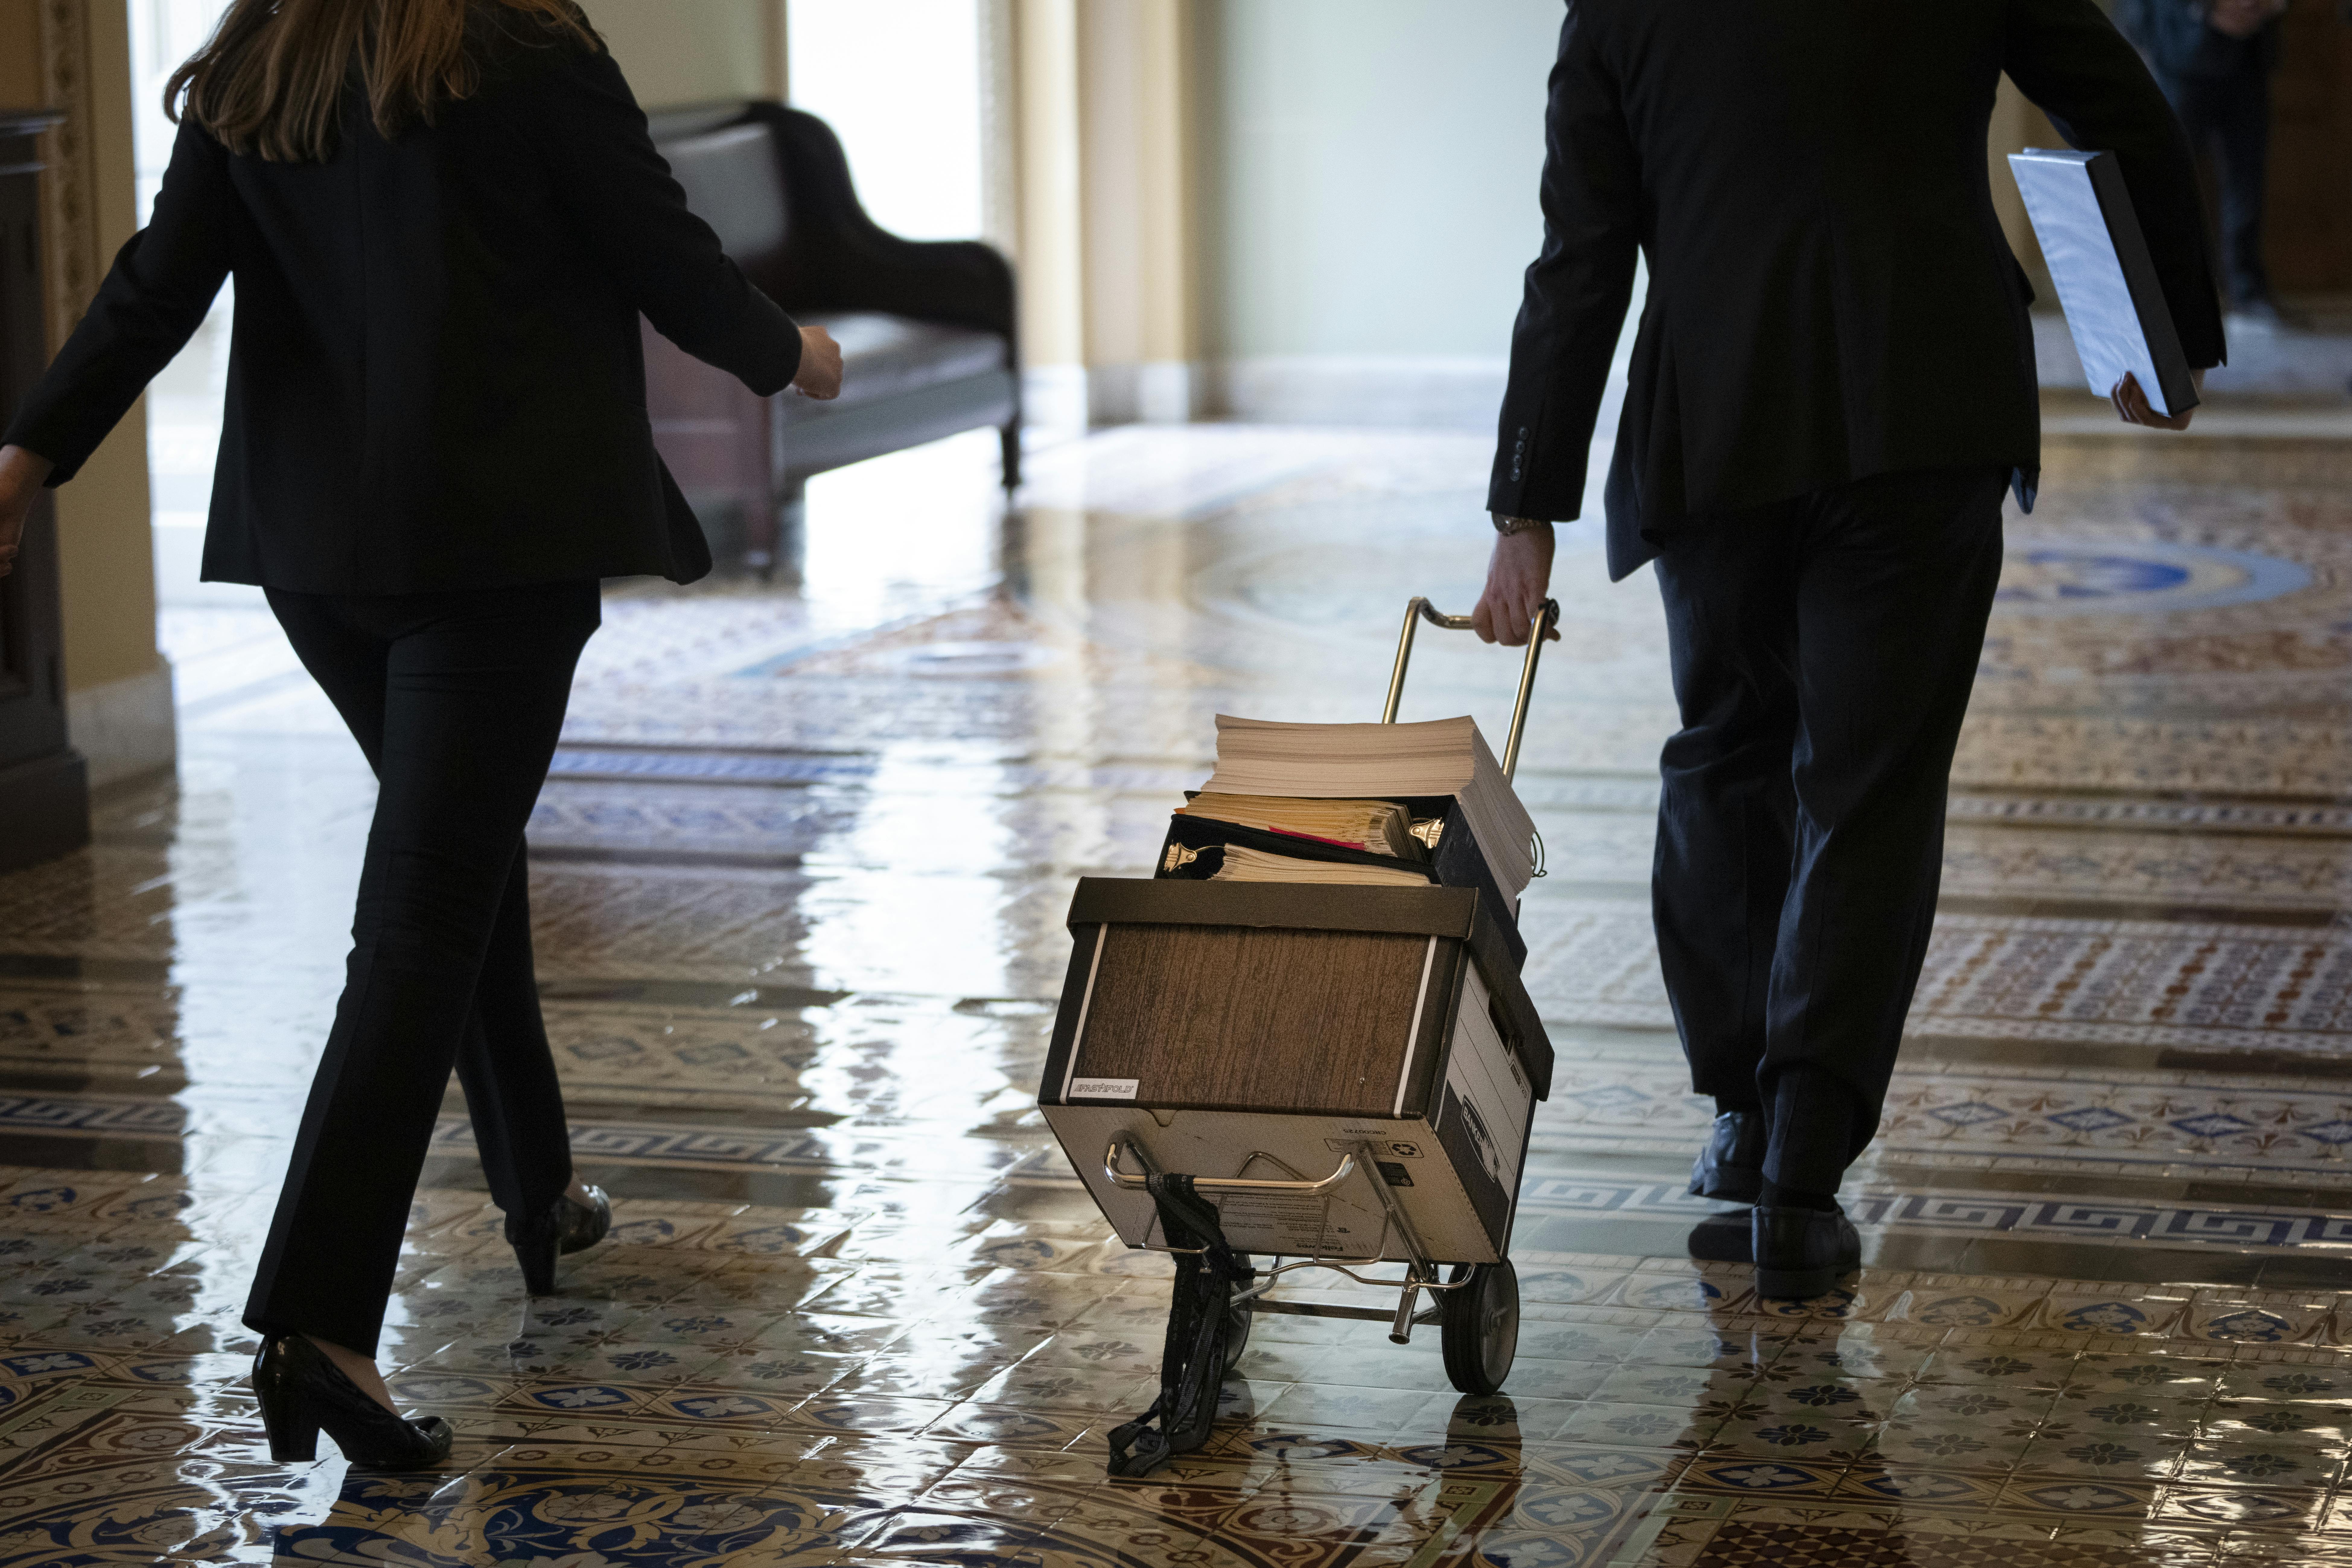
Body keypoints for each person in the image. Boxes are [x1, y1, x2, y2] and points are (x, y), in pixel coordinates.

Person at [0, 0, 842, 1468]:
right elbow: (666, 258)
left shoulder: (261, 63)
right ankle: (319, 1324)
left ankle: (538, 1188)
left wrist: (28, 448)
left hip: (317, 563)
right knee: (423, 914)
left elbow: (155, 288)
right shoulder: (529, 50)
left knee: (452, 865)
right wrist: (794, 355)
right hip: (493, 565)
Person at [1471, 0, 2221, 1300]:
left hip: (1715, 419)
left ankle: (1739, 1111)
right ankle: (1802, 1162)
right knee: (1867, 784)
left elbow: (1580, 254)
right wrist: (2158, 340)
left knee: (1724, 753)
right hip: (1921, 402)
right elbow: (2126, 109)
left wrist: (1523, 509)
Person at [2117, 0, 2291, 329]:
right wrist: (2211, 8)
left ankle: (2248, 292)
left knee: (2247, 184)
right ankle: (2159, 296)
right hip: (2180, 55)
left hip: (2249, 60)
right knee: (2165, 184)